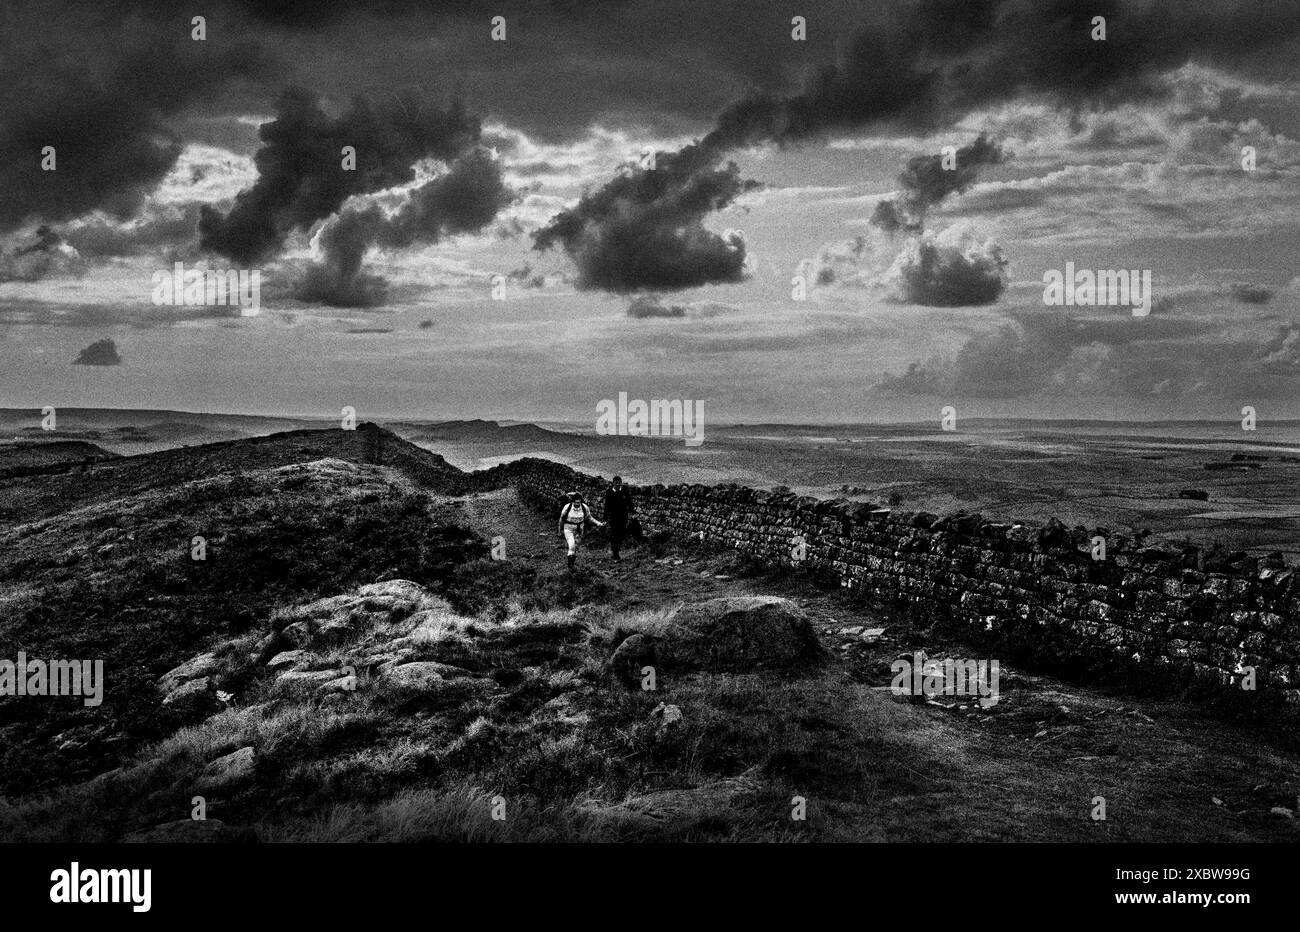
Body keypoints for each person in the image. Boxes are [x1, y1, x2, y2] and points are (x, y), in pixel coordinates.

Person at [558, 491, 603, 569]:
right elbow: (561, 518)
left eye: (578, 502)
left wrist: (598, 523)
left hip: (579, 529)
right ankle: (570, 566)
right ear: (572, 502)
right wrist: (560, 530)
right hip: (568, 528)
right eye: (575, 502)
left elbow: (589, 517)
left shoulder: (584, 507)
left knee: (575, 547)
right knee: (571, 545)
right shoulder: (567, 507)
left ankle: (572, 564)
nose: (577, 504)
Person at [602, 476, 634, 561]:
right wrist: (605, 518)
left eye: (619, 482)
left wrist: (632, 512)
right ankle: (615, 553)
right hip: (613, 517)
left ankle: (617, 550)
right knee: (615, 534)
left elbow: (629, 502)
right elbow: (607, 506)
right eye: (616, 482)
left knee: (621, 534)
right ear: (613, 483)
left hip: (623, 516)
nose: (618, 484)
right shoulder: (609, 492)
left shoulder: (624, 490)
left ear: (621, 482)